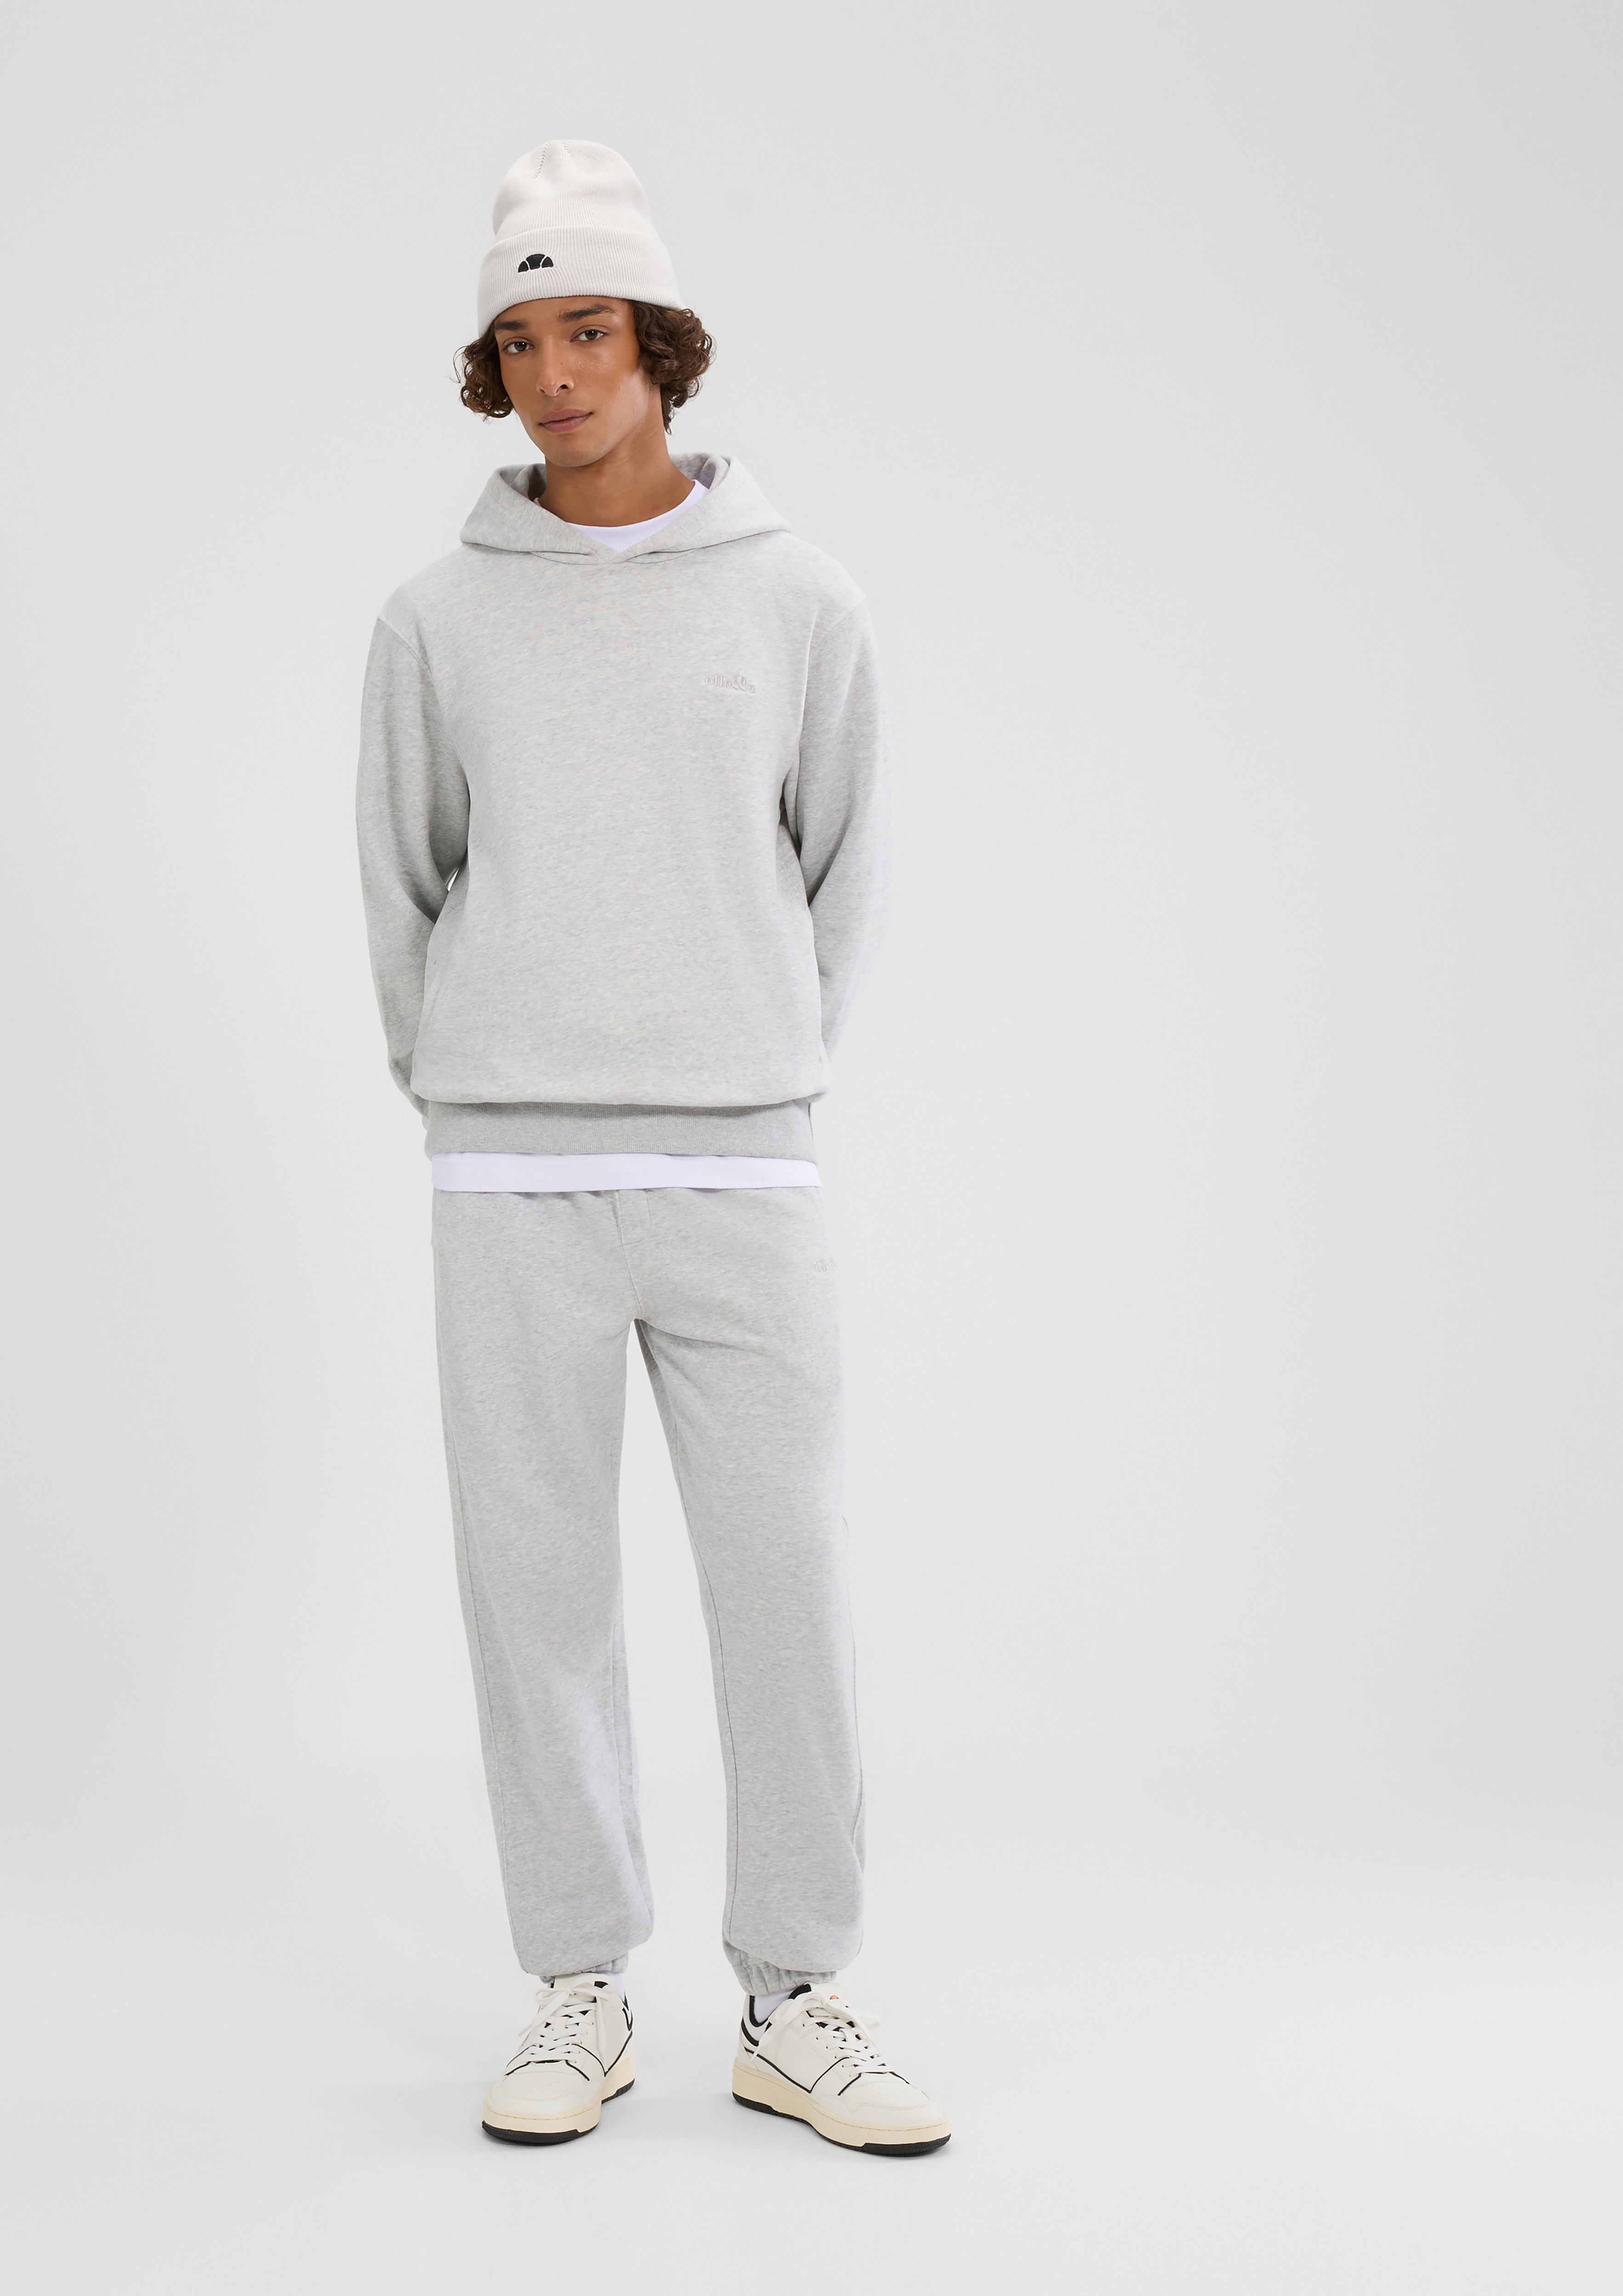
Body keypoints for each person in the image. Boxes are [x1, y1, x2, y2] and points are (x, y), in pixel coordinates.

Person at [355, 139, 948, 2156]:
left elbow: (845, 865)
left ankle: (797, 1996)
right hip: (508, 1174)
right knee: (534, 1590)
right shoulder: (437, 620)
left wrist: (756, 1057)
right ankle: (578, 1986)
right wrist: (468, 1081)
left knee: (784, 1578)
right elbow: (404, 884)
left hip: (740, 1165)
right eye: (519, 340)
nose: (553, 373)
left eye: (587, 329)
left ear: (660, 343)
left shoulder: (798, 599)